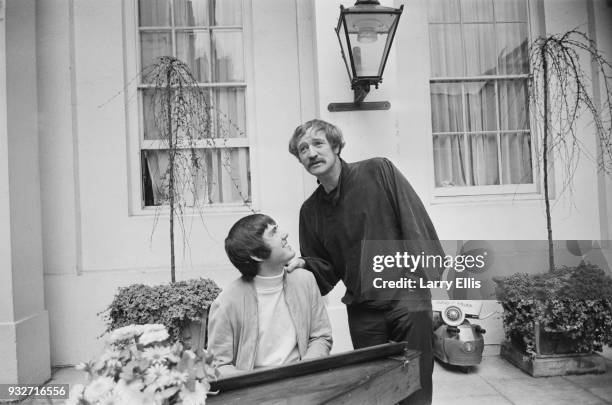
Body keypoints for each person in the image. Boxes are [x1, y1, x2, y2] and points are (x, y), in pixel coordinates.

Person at [286, 119, 444, 405]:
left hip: (406, 300)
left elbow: (412, 217)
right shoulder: (310, 211)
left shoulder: (377, 171)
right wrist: (304, 266)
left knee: (416, 386)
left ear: (335, 146)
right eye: (303, 149)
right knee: (373, 391)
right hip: (363, 312)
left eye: (318, 144)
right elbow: (324, 267)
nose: (311, 153)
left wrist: (425, 277)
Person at [207, 213, 332, 377]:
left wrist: (304, 371)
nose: (285, 234)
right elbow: (218, 365)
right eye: (273, 232)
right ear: (256, 255)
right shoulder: (227, 302)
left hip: (303, 383)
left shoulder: (305, 280)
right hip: (255, 392)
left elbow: (321, 337)